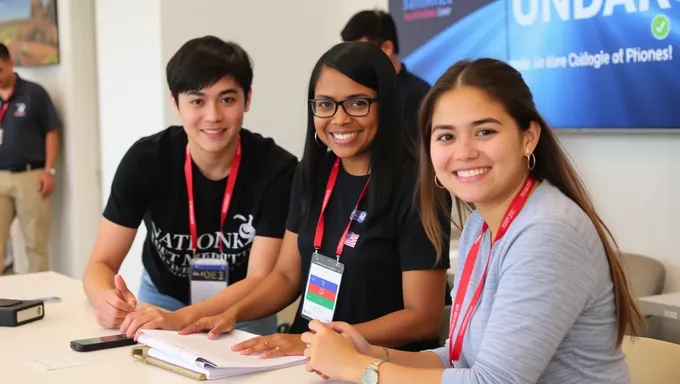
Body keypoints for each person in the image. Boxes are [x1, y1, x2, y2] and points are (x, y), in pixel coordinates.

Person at [300, 58, 644, 383]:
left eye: (484, 132)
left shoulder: (547, 231)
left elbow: (493, 381)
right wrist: (372, 352)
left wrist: (358, 367)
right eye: (446, 136)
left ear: (529, 137)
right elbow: (458, 359)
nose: (464, 152)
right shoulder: (481, 225)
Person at [181, 41, 450, 358]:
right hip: (306, 358)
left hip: (375, 363)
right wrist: (233, 313)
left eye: (357, 103)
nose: (339, 119)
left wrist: (323, 341)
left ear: (386, 104)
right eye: (325, 105)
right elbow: (286, 276)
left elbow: (423, 319)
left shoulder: (420, 187)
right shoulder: (314, 172)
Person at [82, 36, 298, 337]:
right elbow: (100, 263)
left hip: (242, 311)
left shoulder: (278, 170)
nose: (212, 116)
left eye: (227, 99)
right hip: (163, 300)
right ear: (176, 103)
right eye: (197, 101)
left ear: (247, 99)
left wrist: (183, 319)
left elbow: (261, 278)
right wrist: (103, 298)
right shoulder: (145, 161)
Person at [0, 42, 61, 275]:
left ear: (11, 64)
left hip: (30, 176)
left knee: (35, 245)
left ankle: (40, 299)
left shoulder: (34, 93)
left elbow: (52, 131)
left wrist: (49, 170)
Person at [341, 9, 430, 146]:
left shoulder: (422, 95)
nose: (353, 60)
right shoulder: (351, 94)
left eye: (359, 51)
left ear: (387, 48)